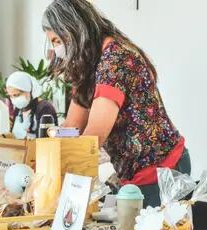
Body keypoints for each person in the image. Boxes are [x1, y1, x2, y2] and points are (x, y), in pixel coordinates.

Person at [43, 0, 190, 207]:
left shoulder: (116, 60)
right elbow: (72, 128)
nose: (56, 49)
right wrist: (46, 160)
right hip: (132, 173)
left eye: (57, 40)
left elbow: (93, 136)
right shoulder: (88, 64)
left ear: (73, 31)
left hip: (161, 171)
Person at [6, 71, 58, 139]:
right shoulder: (19, 109)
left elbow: (45, 139)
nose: (14, 100)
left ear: (29, 90)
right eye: (11, 96)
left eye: (17, 95)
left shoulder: (45, 109)